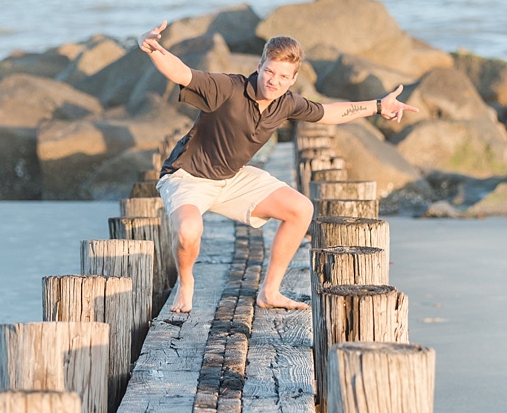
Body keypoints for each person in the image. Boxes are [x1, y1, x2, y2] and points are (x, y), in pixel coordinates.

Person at [137, 21, 419, 314]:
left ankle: (270, 292)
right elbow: (182, 73)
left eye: (284, 76)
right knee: (189, 230)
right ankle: (185, 285)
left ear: (293, 79)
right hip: (188, 176)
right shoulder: (227, 88)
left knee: (300, 209)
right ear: (259, 66)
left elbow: (329, 113)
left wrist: (377, 105)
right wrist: (152, 48)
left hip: (232, 179)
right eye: (270, 71)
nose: (274, 81)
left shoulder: (286, 103)